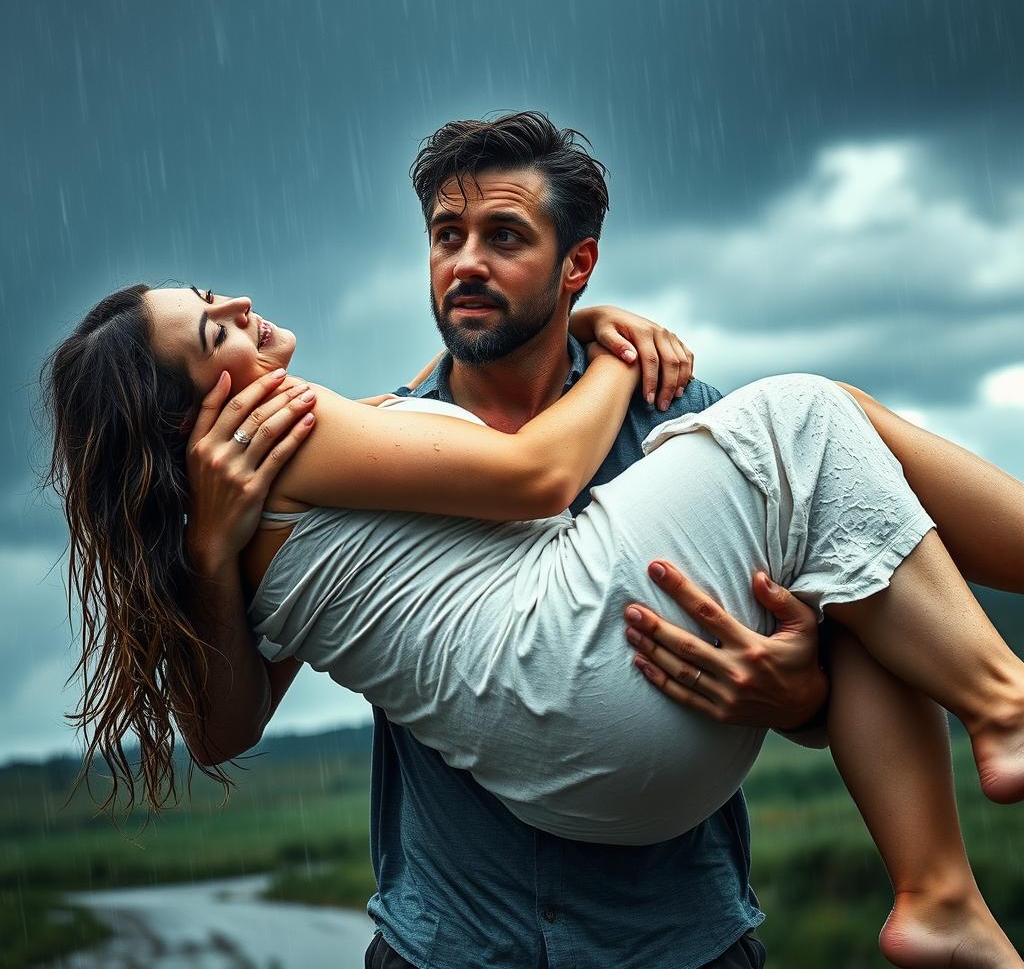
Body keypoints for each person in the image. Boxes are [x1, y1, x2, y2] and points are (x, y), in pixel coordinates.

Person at [44, 115, 1024, 969]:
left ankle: (942, 886)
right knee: (816, 413)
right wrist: (611, 353)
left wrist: (800, 695)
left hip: (668, 926)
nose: (464, 260)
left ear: (574, 266)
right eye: (445, 234)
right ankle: (997, 718)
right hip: (459, 937)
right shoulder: (325, 441)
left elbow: (864, 606)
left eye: (502, 235)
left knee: (842, 469)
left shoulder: (670, 434)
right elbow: (533, 482)